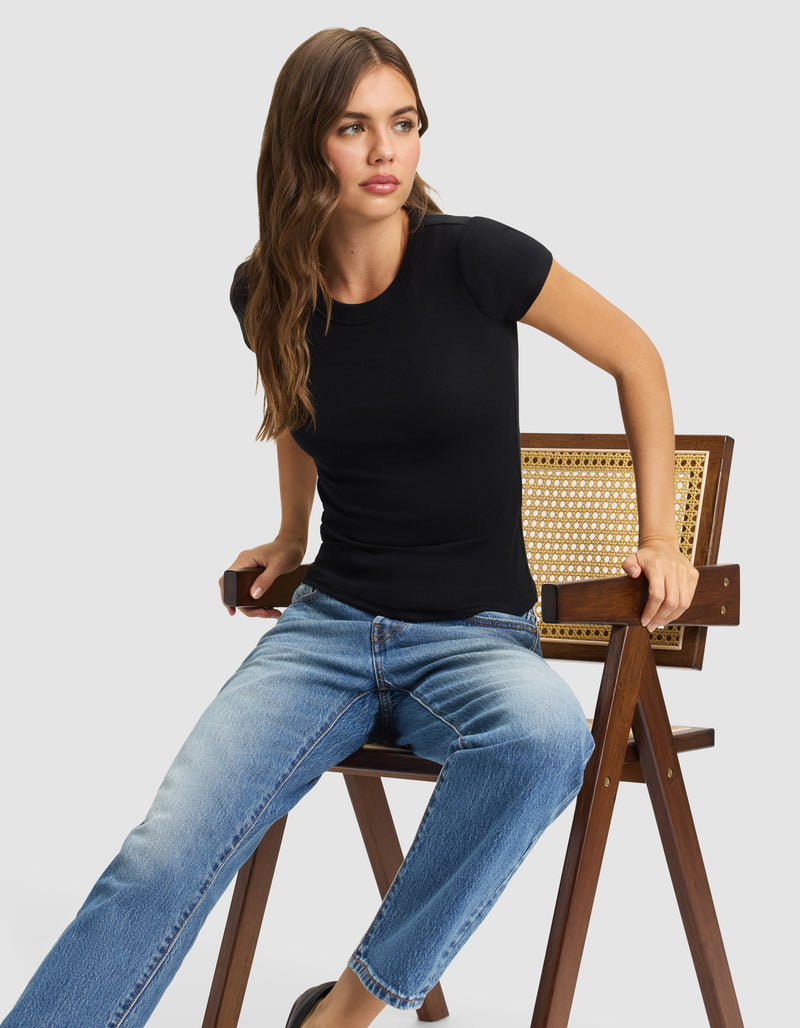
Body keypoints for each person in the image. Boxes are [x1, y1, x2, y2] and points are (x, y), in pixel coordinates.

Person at [1, 26, 698, 1028]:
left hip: (473, 638)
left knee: (547, 738)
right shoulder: (265, 290)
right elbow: (296, 405)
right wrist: (289, 533)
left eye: (403, 125)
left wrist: (661, 536)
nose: (384, 151)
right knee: (159, 853)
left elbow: (637, 357)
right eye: (353, 127)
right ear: (305, 146)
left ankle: (345, 1010)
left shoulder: (477, 260)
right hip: (326, 633)